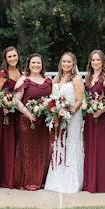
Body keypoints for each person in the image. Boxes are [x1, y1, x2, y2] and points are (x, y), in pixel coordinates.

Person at [45, 52, 84, 194]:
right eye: (64, 61)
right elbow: (53, 98)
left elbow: (79, 100)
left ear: (73, 63)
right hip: (58, 117)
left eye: (69, 62)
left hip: (72, 117)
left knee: (71, 144)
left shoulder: (77, 79)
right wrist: (55, 111)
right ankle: (57, 179)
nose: (66, 64)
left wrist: (69, 113)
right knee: (58, 143)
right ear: (60, 63)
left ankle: (73, 181)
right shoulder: (56, 79)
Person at [13, 53, 52, 190]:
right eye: (33, 63)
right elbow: (16, 100)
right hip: (27, 122)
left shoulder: (48, 81)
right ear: (29, 64)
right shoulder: (24, 80)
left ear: (42, 65)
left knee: (42, 151)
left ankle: (41, 180)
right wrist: (28, 113)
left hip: (43, 122)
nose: (36, 65)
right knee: (28, 152)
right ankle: (28, 181)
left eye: (38, 63)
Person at [83, 50, 105, 193]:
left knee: (103, 148)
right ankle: (92, 182)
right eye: (93, 60)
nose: (95, 62)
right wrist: (87, 106)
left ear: (103, 61)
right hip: (91, 116)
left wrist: (100, 110)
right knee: (91, 146)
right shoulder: (88, 77)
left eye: (98, 60)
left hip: (104, 117)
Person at [0, 46, 22, 188]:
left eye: (14, 56)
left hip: (18, 113)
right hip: (5, 113)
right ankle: (4, 177)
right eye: (9, 57)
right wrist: (4, 105)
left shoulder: (21, 73)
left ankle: (16, 177)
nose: (13, 59)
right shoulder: (2, 74)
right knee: (6, 144)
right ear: (6, 59)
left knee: (17, 143)